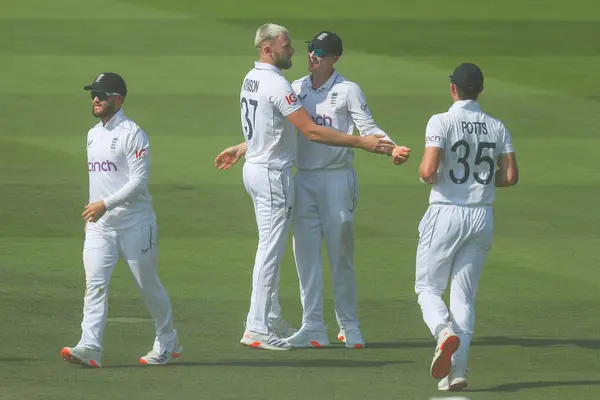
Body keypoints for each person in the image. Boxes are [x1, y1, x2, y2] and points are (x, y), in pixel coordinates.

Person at [216, 30, 411, 349]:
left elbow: (369, 128)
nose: (311, 55)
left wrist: (392, 148)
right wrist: (242, 148)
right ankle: (313, 326)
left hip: (337, 178)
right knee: (304, 256)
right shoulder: (295, 88)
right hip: (303, 179)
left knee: (341, 254)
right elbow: (277, 127)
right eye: (310, 49)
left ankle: (350, 325)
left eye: (319, 51)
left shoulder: (348, 90)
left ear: (335, 57)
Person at [61, 72, 182, 368]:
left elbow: (139, 182)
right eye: (93, 94)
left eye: (101, 95)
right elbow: (99, 181)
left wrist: (106, 204)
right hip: (100, 226)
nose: (96, 99)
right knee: (95, 285)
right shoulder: (92, 134)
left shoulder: (133, 134)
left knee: (148, 286)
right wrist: (93, 214)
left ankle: (168, 340)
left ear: (118, 99)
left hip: (136, 225)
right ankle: (90, 346)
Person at [411, 63, 518, 391]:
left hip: (446, 212)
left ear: (453, 89)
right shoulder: (497, 127)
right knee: (464, 295)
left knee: (427, 288)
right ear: (480, 90)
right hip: (482, 216)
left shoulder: (441, 121)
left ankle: (444, 333)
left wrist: (426, 172)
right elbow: (510, 176)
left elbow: (429, 170)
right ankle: (456, 372)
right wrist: (479, 183)